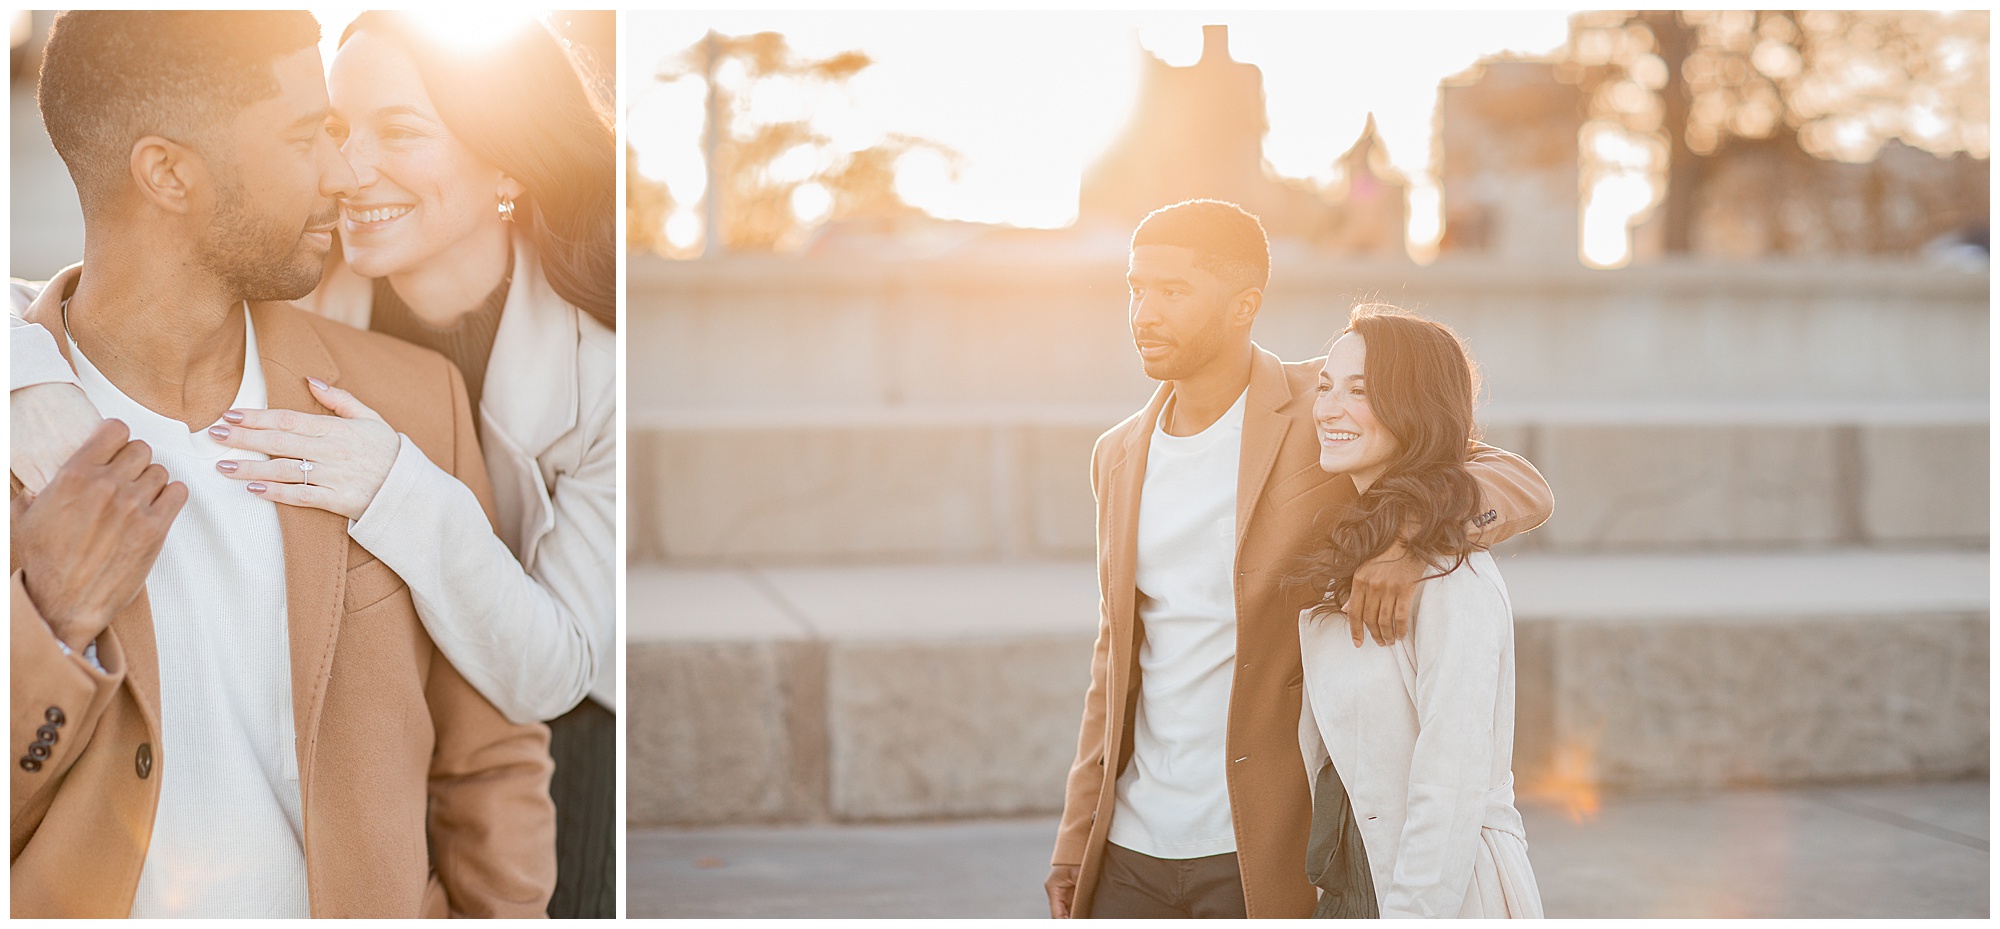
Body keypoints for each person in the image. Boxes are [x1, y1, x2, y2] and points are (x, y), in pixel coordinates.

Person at [9, 11, 617, 917]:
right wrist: (47, 617)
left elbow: (505, 730)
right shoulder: (39, 402)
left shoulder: (516, 383)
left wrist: (406, 490)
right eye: (320, 133)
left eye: (395, 132)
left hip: (577, 710)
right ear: (168, 171)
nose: (347, 172)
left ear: (505, 158)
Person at [1045, 200, 1553, 919]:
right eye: (1135, 287)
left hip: (1255, 846)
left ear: (1243, 304)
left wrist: (1411, 540)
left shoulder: (1326, 406)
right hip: (1128, 847)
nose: (1143, 312)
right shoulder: (1118, 453)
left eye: (1173, 291)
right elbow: (1115, 658)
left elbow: (1517, 481)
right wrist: (1076, 838)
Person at [1296, 306, 1543, 918]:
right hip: (1350, 881)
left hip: (1436, 892)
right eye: (1325, 387)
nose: (1329, 408)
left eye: (1361, 391)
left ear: (1415, 409)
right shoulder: (1352, 536)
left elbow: (1450, 782)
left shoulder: (1448, 576)